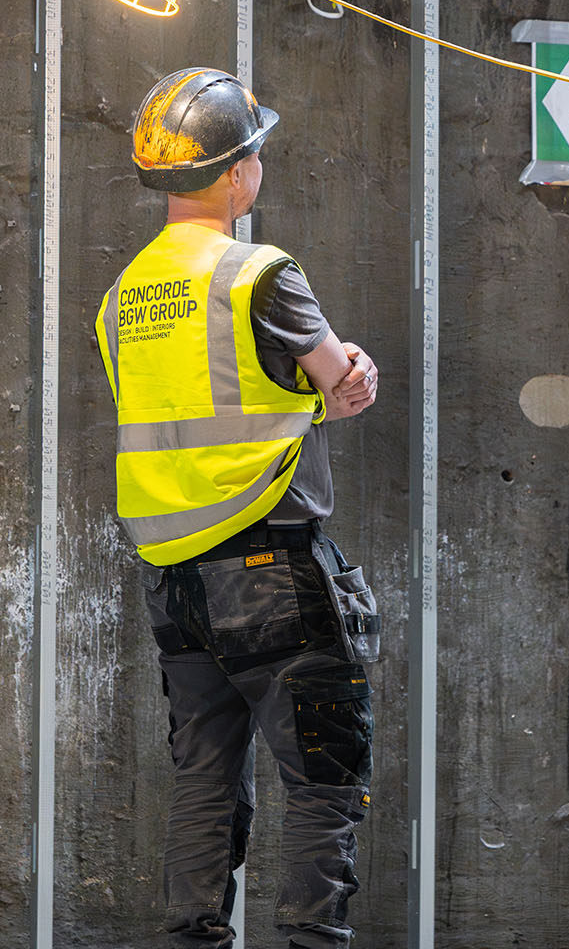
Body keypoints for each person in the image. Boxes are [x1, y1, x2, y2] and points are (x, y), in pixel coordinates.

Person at [94, 66, 383, 949]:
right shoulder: (259, 274)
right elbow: (340, 383)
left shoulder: (121, 298)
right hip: (270, 571)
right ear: (234, 173)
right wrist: (344, 379)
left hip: (172, 580)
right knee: (324, 776)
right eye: (254, 152)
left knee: (205, 781)